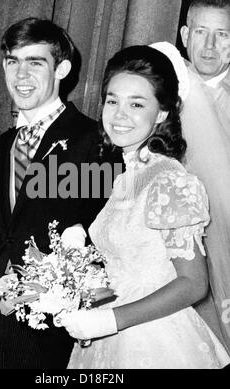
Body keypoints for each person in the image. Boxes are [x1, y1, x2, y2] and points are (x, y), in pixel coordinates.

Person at [0, 17, 113, 369]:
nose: (21, 75)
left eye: (35, 62)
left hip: (41, 340)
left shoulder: (92, 143)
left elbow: (96, 243)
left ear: (62, 69)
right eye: (13, 62)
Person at [58, 45, 230, 369]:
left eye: (137, 103)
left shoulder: (169, 180)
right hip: (109, 338)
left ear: (162, 113)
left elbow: (193, 283)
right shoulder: (129, 177)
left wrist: (111, 320)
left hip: (154, 341)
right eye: (112, 100)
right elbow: (129, 271)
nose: (120, 115)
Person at [179, 0, 230, 351]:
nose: (210, 46)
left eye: (223, 34)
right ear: (185, 35)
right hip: (165, 262)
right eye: (201, 32)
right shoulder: (157, 91)